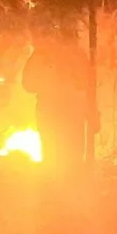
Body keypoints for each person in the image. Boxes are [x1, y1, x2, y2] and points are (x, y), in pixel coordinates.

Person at [22, 19, 91, 178]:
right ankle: (65, 189)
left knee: (56, 155)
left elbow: (27, 85)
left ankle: (59, 189)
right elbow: (87, 85)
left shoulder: (43, 55)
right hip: (63, 111)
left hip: (57, 110)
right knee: (68, 154)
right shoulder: (74, 55)